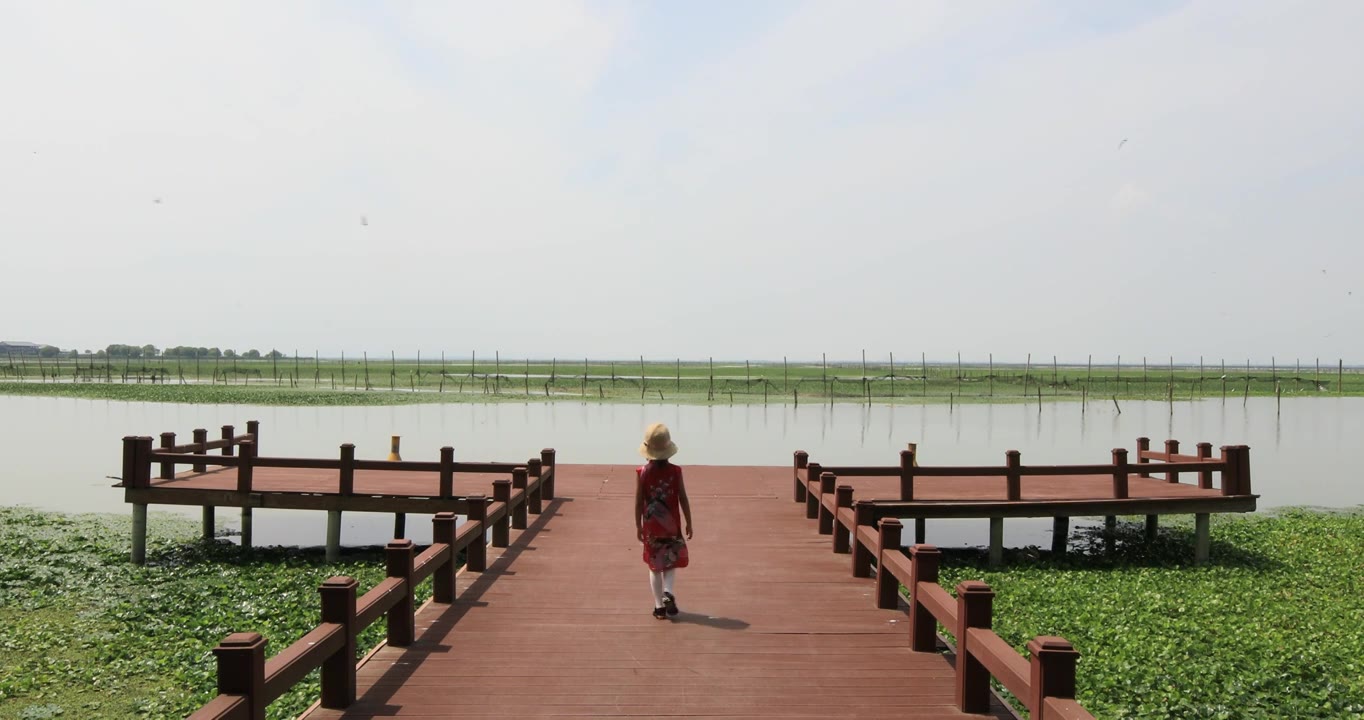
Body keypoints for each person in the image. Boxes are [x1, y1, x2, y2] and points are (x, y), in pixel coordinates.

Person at [635, 422, 693, 620]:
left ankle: (659, 606)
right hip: (672, 526)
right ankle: (668, 591)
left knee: (654, 566)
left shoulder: (642, 473)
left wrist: (637, 525)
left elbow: (638, 500)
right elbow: (683, 498)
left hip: (651, 527)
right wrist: (689, 522)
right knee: (670, 562)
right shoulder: (676, 472)